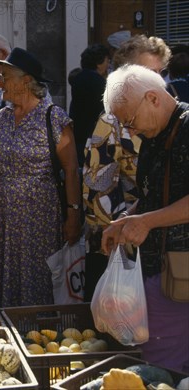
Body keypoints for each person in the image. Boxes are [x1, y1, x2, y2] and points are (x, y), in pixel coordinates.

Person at [101, 64, 189, 372]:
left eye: (130, 121)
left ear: (153, 98)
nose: (129, 131)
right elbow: (154, 197)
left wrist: (147, 221)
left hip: (182, 276)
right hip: (164, 273)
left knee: (168, 368)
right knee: (158, 365)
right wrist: (127, 220)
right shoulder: (154, 134)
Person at [0, 47, 81, 307]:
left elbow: (71, 170)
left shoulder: (54, 118)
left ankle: (41, 335)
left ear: (26, 81)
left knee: (41, 279)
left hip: (42, 219)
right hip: (5, 218)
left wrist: (73, 215)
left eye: (5, 77)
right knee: (9, 277)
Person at [83, 35, 172, 302]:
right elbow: (97, 191)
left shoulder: (172, 110)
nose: (157, 81)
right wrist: (124, 231)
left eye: (160, 72)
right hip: (129, 245)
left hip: (167, 240)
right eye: (148, 72)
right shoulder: (111, 121)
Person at [69, 44, 110, 166]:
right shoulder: (99, 82)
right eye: (107, 61)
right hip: (94, 134)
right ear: (99, 63)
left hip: (78, 132)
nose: (108, 65)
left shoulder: (78, 78)